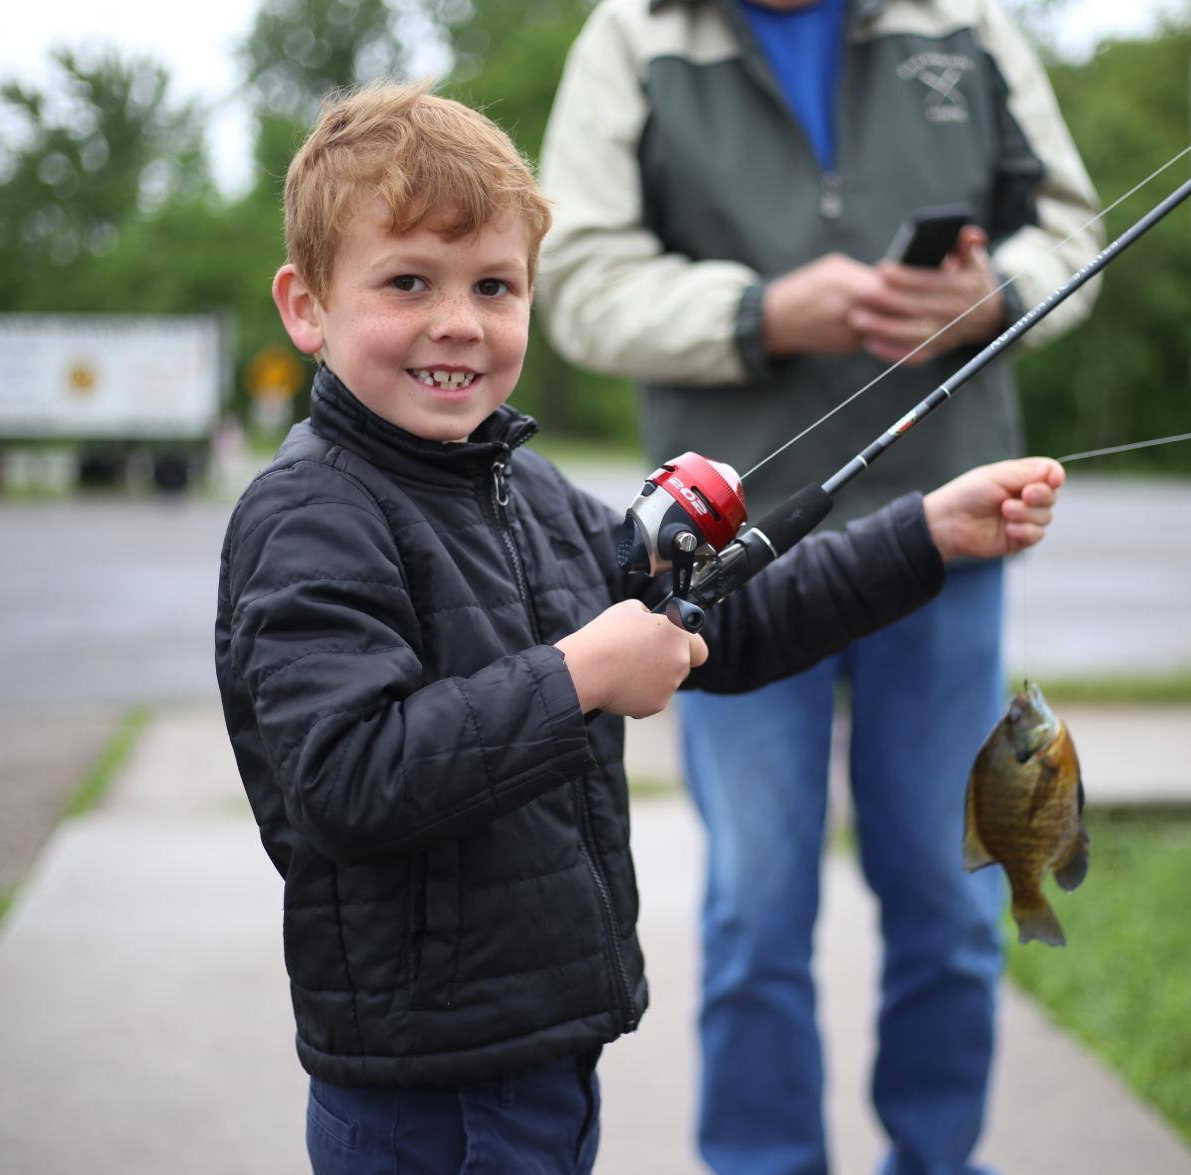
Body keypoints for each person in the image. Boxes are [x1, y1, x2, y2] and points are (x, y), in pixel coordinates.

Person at [213, 80, 1065, 1174]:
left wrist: (922, 532)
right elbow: (346, 777)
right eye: (407, 282)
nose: (458, 321)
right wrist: (577, 674)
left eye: (493, 284)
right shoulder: (307, 516)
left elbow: (726, 626)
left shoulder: (521, 483)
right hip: (425, 1085)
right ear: (307, 306)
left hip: (540, 1048)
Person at [538, 2, 1103, 1172]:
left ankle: (938, 1156)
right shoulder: (627, 38)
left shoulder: (969, 22)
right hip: (721, 571)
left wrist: (996, 293)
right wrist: (759, 312)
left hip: (948, 537)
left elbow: (1070, 228)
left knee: (951, 902)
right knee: (754, 913)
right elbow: (576, 280)